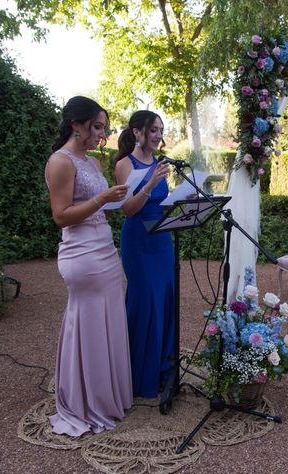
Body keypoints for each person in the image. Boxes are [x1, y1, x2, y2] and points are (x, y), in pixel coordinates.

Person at [45, 96, 133, 436]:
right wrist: (101, 199)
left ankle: (107, 395)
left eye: (105, 129)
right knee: (89, 323)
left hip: (105, 249)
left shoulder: (93, 163)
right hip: (81, 254)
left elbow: (103, 208)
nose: (102, 135)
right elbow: (61, 215)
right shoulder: (61, 161)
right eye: (97, 127)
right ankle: (84, 400)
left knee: (108, 321)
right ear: (76, 125)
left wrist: (135, 190)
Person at [114, 111, 175, 398]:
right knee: (145, 301)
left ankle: (163, 368)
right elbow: (127, 209)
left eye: (161, 129)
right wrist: (150, 185)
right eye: (153, 129)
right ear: (137, 132)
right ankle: (138, 376)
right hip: (139, 241)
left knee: (164, 300)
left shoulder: (162, 163)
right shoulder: (125, 165)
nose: (158, 135)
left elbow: (164, 202)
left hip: (163, 240)